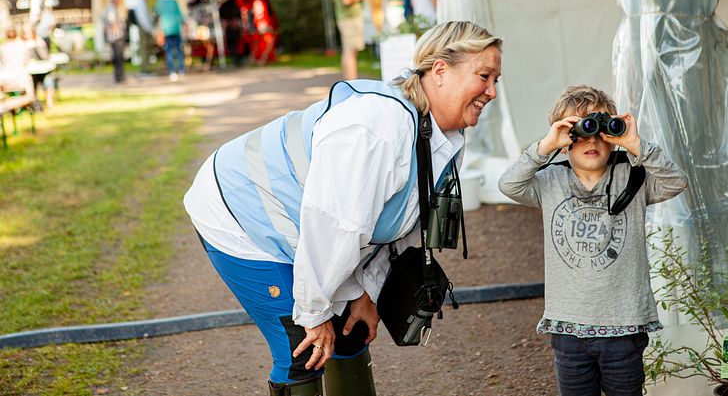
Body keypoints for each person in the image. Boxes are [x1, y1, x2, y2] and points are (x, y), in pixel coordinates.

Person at [183, 21, 503, 396]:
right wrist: (315, 313)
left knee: (352, 334)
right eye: (484, 76)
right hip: (240, 212)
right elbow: (333, 225)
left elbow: (397, 229)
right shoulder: (377, 129)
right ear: (440, 71)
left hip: (306, 225)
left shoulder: (447, 138)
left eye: (496, 79)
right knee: (303, 348)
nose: (493, 92)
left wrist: (364, 295)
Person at [498, 85, 688, 396]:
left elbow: (676, 181)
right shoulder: (550, 182)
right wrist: (546, 145)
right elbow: (509, 184)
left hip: (624, 326)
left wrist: (635, 144)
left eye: (600, 129)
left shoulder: (634, 179)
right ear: (565, 142)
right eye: (580, 130)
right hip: (568, 329)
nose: (591, 139)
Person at [332, 0, 366, 81]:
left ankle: (349, 80)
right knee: (351, 52)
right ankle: (352, 81)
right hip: (350, 18)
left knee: (348, 51)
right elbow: (346, 0)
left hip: (344, 18)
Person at [155, 0, 185, 81]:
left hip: (166, 30)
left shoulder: (160, 3)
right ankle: (181, 70)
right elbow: (180, 16)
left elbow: (156, 16)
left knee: (169, 51)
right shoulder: (174, 2)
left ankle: (172, 71)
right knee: (179, 50)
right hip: (176, 29)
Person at [0, 28, 34, 97]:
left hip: (5, 77)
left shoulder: (2, 47)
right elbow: (26, 62)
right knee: (28, 82)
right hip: (20, 78)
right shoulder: (23, 46)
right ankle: (30, 99)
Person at [102, 0, 127, 84]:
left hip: (114, 37)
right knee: (118, 57)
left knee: (117, 57)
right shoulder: (111, 8)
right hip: (116, 37)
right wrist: (117, 30)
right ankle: (120, 77)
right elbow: (111, 21)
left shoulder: (110, 8)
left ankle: (119, 76)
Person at [132, 0, 155, 71]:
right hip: (144, 29)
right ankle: (145, 69)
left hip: (145, 28)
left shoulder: (141, 2)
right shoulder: (140, 3)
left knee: (146, 49)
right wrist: (149, 29)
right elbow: (143, 19)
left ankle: (146, 68)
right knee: (145, 49)